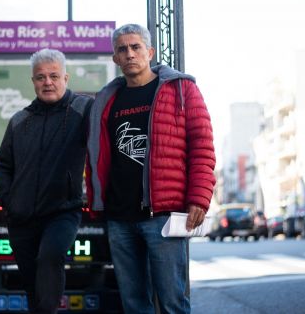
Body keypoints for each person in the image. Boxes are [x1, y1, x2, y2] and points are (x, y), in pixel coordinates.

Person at [85, 24, 216, 313]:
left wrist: (198, 198)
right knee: (134, 305)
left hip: (164, 215)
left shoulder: (181, 89)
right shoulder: (106, 100)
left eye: (136, 47)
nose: (130, 54)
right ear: (115, 59)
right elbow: (97, 155)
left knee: (172, 303)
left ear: (150, 52)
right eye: (122, 49)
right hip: (119, 216)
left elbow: (202, 145)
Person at [0, 49, 93, 314]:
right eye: (40, 77)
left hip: (63, 211)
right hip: (22, 216)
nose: (47, 82)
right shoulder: (19, 120)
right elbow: (2, 165)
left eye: (53, 76)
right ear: (33, 81)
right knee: (32, 285)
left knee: (50, 258)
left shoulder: (83, 110)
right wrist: (9, 200)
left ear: (66, 78)